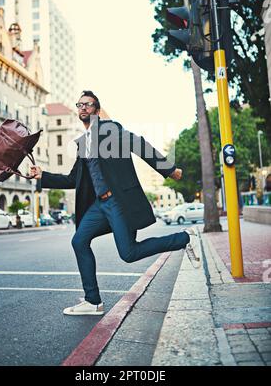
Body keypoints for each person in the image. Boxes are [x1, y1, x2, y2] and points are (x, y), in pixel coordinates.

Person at [30, 90, 200, 316]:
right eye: (80, 104)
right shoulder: (82, 144)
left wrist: (168, 169)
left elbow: (139, 144)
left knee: (128, 253)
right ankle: (93, 301)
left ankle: (185, 238)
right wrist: (43, 175)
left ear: (97, 111)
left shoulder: (110, 131)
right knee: (79, 241)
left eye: (88, 104)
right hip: (99, 206)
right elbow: (73, 180)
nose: (83, 108)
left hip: (119, 202)